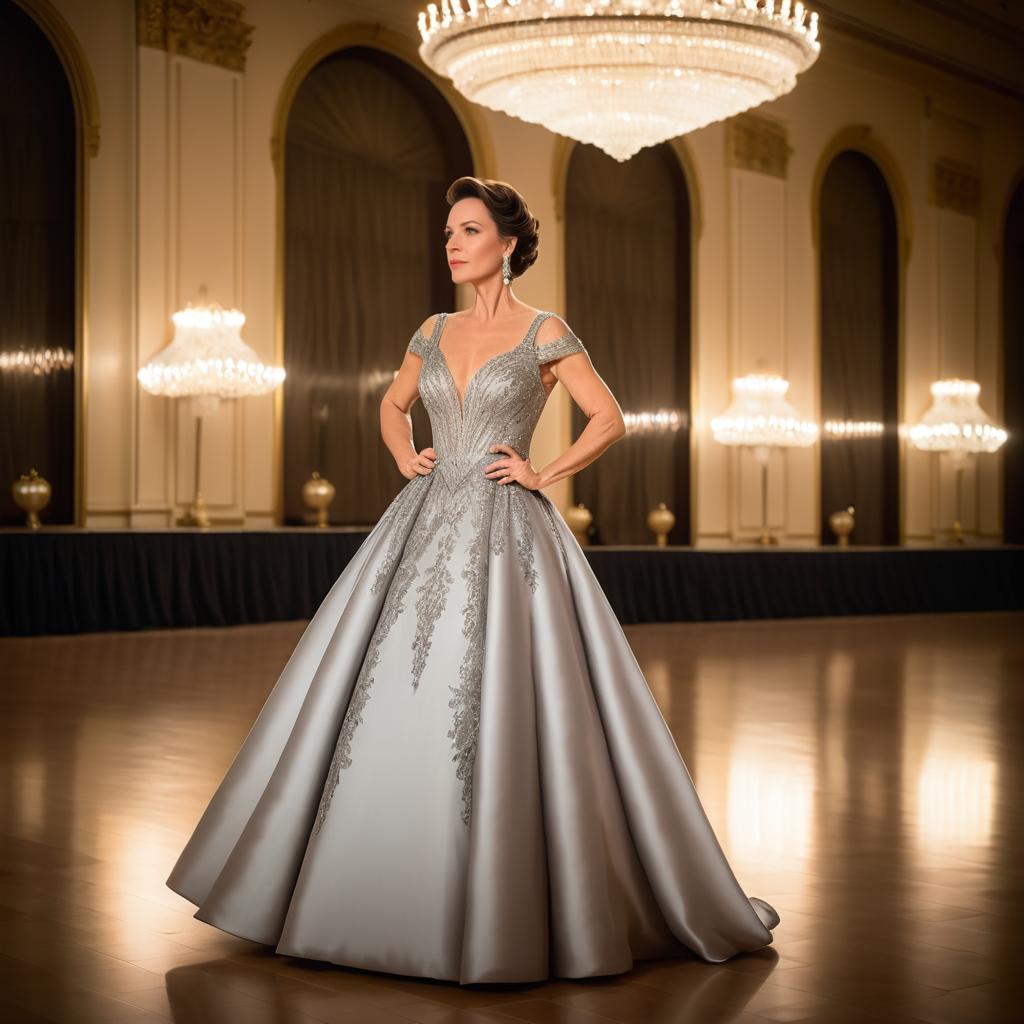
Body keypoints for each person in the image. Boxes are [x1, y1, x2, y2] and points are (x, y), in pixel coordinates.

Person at [165, 175, 780, 984]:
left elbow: (611, 417)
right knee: (374, 683)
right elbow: (392, 407)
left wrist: (542, 471)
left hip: (504, 525)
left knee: (503, 695)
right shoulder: (432, 329)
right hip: (422, 518)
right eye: (448, 231)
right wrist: (404, 456)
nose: (451, 243)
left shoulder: (545, 332)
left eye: (467, 230)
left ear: (509, 244)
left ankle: (498, 892)